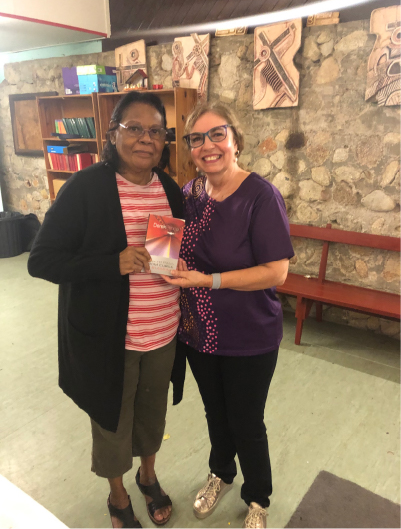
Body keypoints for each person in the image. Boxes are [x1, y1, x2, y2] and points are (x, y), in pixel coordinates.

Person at [28, 92, 184, 529]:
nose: (145, 139)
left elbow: (167, 255)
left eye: (155, 131)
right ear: (113, 134)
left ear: (164, 140)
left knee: (152, 415)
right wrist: (110, 264)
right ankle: (118, 497)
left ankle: (148, 476)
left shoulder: (170, 190)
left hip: (163, 331)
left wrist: (178, 267)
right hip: (108, 338)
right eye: (134, 128)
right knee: (112, 421)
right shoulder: (85, 189)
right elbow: (41, 261)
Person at [162, 102, 294, 529]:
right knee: (215, 414)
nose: (208, 145)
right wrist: (167, 263)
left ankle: (258, 497)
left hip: (249, 334)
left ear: (235, 140)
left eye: (217, 134)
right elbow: (169, 248)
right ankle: (220, 473)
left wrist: (209, 280)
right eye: (196, 139)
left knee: (246, 421)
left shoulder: (260, 196)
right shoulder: (188, 194)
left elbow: (276, 272)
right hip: (198, 332)